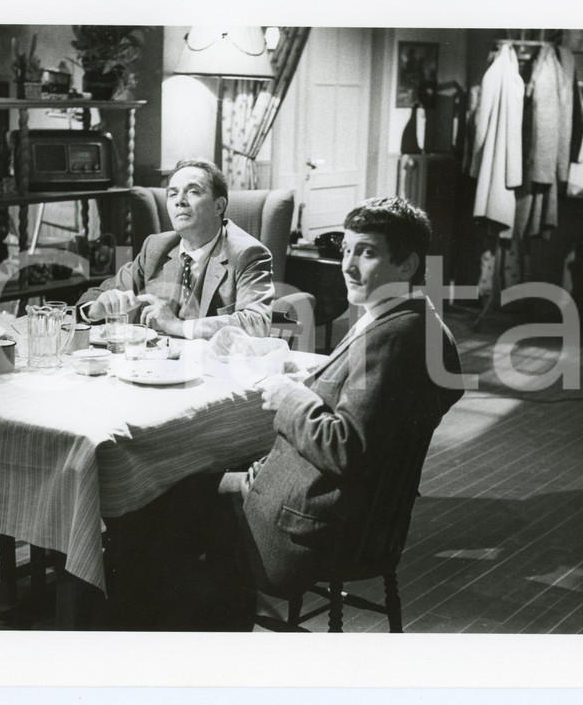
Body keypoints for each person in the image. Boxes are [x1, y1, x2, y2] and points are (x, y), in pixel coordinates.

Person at [107, 195, 465, 631]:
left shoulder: (393, 338)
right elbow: (383, 406)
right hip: (360, 514)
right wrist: (288, 368)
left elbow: (345, 448)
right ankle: (216, 614)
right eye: (347, 250)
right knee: (187, 481)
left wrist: (288, 395)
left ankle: (148, 635)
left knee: (141, 499)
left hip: (308, 526)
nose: (348, 266)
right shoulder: (419, 323)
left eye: (367, 253)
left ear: (407, 265)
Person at [77, 159, 274, 339]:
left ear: (218, 206)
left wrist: (177, 326)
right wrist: (95, 309)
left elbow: (257, 323)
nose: (180, 200)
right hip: (156, 368)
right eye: (172, 194)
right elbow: (99, 292)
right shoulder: (156, 247)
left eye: (193, 191)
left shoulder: (248, 254)